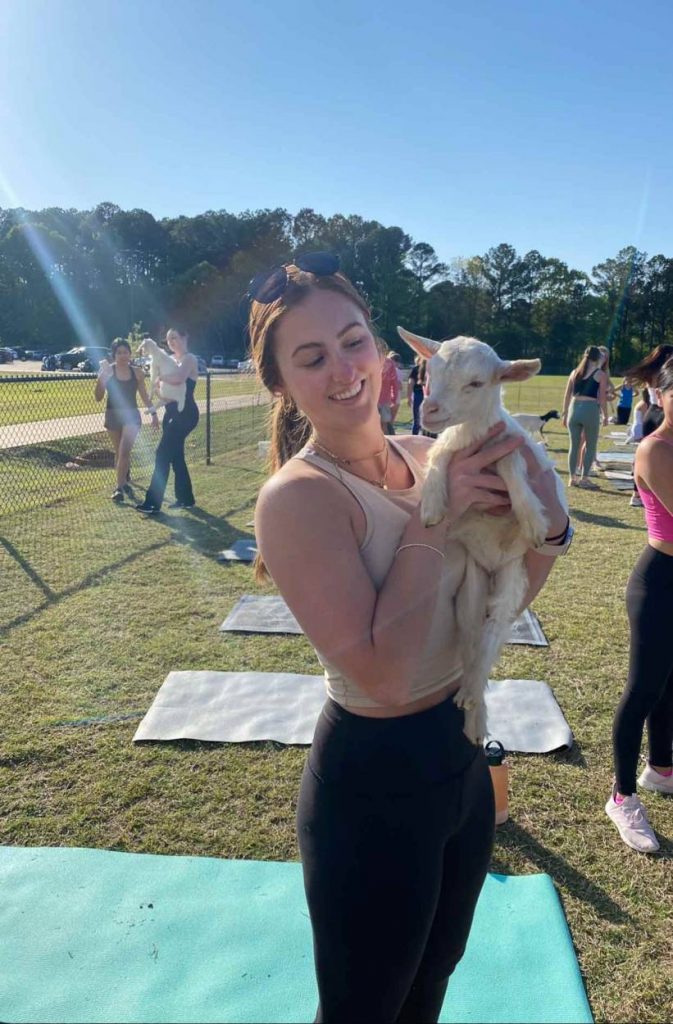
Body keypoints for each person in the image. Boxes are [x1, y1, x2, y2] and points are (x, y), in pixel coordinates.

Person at [250, 253, 569, 1022]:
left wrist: (550, 527)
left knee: (430, 984)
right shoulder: (299, 497)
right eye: (311, 356)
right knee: (365, 1008)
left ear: (383, 353)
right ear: (281, 382)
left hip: (459, 757)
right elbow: (386, 678)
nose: (342, 368)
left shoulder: (429, 456)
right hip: (374, 781)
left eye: (353, 340)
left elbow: (513, 589)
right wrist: (439, 514)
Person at [605, 356, 673, 853]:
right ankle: (622, 795)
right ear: (659, 396)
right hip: (658, 582)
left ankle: (661, 769)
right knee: (644, 688)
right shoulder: (656, 449)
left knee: (671, 685)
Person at [136, 328, 199, 514]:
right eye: (168, 339)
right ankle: (186, 499)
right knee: (176, 456)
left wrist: (161, 377)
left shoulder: (189, 359)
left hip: (185, 413)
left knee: (162, 454)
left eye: (175, 337)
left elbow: (179, 379)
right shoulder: (168, 359)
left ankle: (152, 503)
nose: (171, 341)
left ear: (185, 337)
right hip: (170, 412)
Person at [94, 337, 158, 502]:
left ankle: (119, 488)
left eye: (125, 352)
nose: (123, 355)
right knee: (120, 453)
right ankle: (124, 482)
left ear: (130, 354)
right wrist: (102, 379)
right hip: (112, 414)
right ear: (113, 355)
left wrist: (153, 413)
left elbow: (143, 395)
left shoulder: (137, 372)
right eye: (119, 352)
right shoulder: (108, 372)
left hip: (131, 415)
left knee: (124, 451)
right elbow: (98, 397)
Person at [623, 346, 673, 508]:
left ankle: (636, 493)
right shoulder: (665, 374)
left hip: (650, 413)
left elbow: (645, 396)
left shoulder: (650, 373)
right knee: (653, 454)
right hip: (659, 413)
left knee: (641, 458)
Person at [562, 345, 608, 489]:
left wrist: (564, 413)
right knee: (590, 445)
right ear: (598, 358)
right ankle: (585, 478)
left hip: (573, 410)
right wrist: (606, 415)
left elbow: (567, 395)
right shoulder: (600, 374)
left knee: (573, 446)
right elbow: (602, 398)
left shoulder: (574, 372)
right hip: (590, 410)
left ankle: (572, 477)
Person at [378, 349, 401, 435]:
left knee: (373, 423)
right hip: (384, 399)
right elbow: (394, 383)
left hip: (373, 398)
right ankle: (387, 443)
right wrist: (394, 398)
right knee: (384, 424)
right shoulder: (390, 363)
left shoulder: (370, 361)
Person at [407, 354, 427, 435]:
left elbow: (410, 383)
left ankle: (414, 437)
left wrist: (409, 397)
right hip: (426, 394)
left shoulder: (416, 369)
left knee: (417, 418)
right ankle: (428, 438)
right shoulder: (431, 368)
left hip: (418, 394)